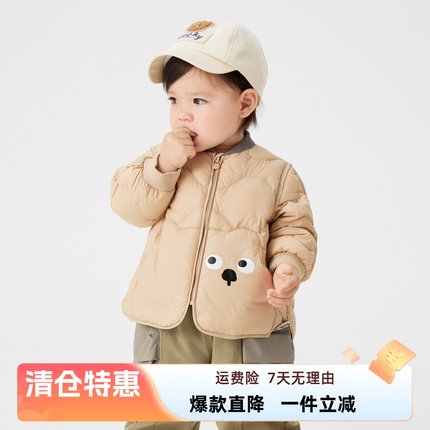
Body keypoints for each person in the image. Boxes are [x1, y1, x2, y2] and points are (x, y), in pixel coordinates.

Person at [111, 20, 317, 430]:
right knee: (157, 419)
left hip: (246, 322)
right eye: (173, 99)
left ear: (244, 104)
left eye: (199, 100)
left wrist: (288, 265)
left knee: (257, 419)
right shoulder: (164, 159)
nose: (182, 114)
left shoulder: (276, 173)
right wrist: (162, 166)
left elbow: (294, 230)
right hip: (169, 321)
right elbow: (130, 207)